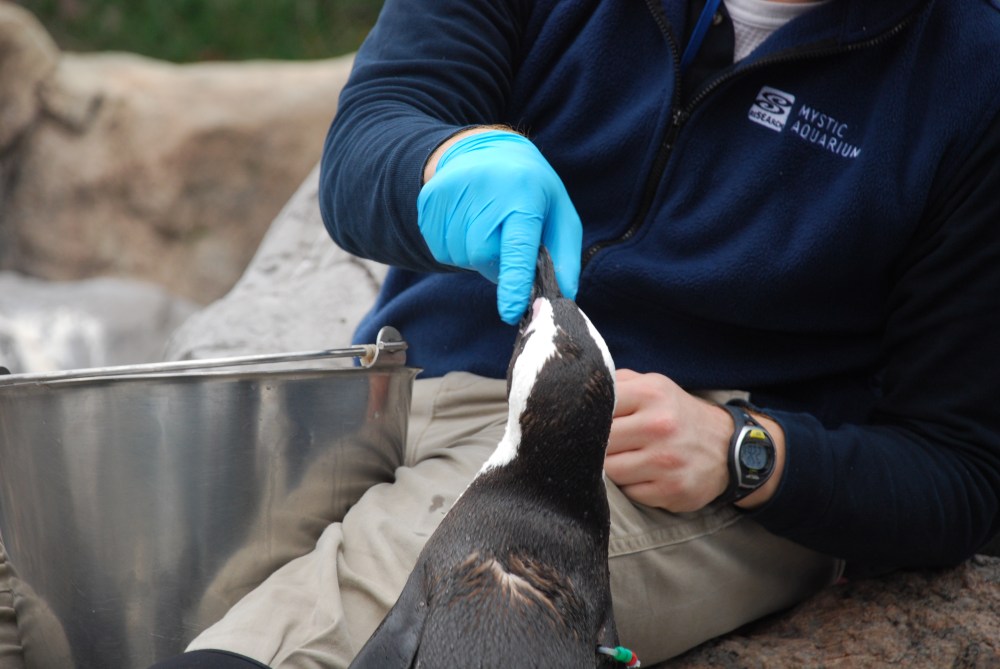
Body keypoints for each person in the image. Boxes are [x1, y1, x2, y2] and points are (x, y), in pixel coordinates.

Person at [154, 0, 1000, 666]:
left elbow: (957, 469)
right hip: (404, 385)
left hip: (650, 456)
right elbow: (367, 141)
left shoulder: (974, 69)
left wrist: (752, 452)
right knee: (117, 576)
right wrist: (444, 163)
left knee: (318, 625)